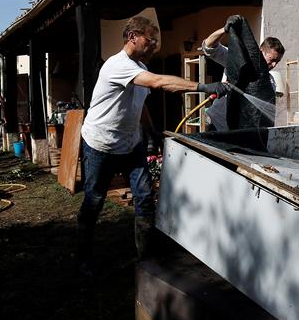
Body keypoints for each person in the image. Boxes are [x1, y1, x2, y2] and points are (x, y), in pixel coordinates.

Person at [77, 15, 232, 274]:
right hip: (100, 143)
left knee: (145, 196)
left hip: (130, 143)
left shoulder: (138, 68)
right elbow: (160, 83)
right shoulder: (119, 65)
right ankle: (83, 258)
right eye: (150, 41)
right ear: (132, 37)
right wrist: (204, 85)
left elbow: (142, 104)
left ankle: (146, 258)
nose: (154, 46)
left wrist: (152, 133)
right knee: (94, 199)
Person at [200, 15, 284, 131]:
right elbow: (209, 47)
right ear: (260, 52)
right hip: (218, 123)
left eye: (277, 61)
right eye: (272, 59)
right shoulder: (239, 60)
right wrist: (224, 30)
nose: (274, 65)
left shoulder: (270, 81)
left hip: (240, 129)